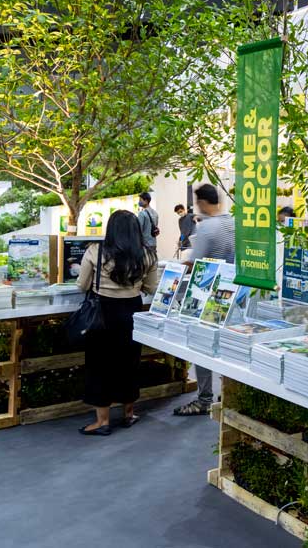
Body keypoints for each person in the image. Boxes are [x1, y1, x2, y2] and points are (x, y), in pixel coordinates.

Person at [75, 210, 158, 436]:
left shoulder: (95, 250)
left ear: (110, 229)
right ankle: (129, 414)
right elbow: (152, 287)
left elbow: (82, 285)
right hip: (131, 311)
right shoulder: (147, 254)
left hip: (102, 312)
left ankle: (102, 422)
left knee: (99, 365)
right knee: (129, 362)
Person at [174, 184, 235, 417]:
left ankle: (204, 399)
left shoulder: (207, 227)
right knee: (229, 348)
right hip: (231, 295)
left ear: (201, 202)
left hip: (208, 296)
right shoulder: (234, 223)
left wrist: (173, 272)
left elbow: (194, 263)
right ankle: (228, 395)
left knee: (202, 346)